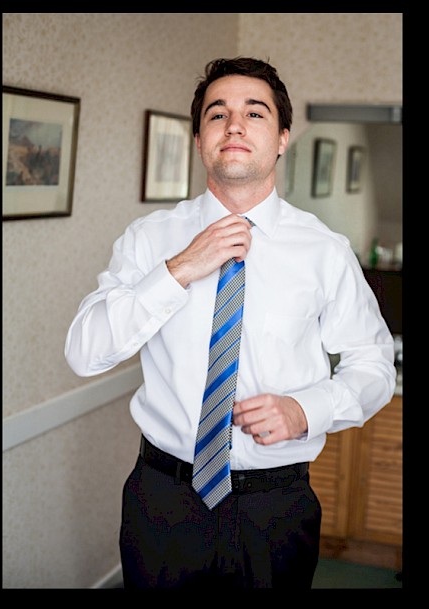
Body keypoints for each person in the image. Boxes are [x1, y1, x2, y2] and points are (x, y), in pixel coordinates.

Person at [64, 57, 396, 588]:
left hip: (276, 508)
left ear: (283, 137)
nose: (235, 125)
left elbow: (374, 363)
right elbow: (84, 353)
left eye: (255, 113)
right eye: (217, 114)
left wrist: (305, 409)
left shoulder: (325, 251)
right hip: (163, 500)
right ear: (200, 140)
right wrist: (178, 271)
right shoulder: (150, 240)